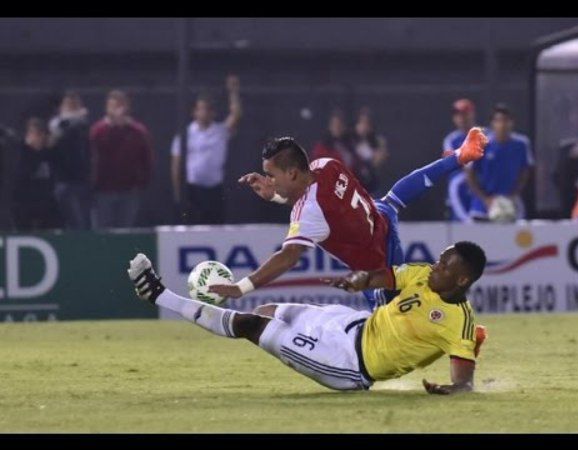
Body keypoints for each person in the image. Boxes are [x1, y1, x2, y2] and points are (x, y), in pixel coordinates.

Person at [127, 241, 488, 393]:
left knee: (253, 327)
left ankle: (159, 295)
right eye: (440, 260)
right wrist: (362, 278)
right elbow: (386, 276)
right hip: (349, 324)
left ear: (462, 280)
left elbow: (464, 382)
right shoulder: (424, 274)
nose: (435, 267)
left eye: (445, 266)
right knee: (263, 312)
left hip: (350, 363)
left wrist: (452, 389)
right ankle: (159, 295)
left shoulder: (459, 323)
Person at [208, 129, 487, 310]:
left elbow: (289, 256)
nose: (269, 180)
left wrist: (240, 287)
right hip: (383, 222)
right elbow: (326, 206)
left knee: (392, 335)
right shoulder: (326, 165)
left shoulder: (308, 211)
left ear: (292, 173)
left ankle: (465, 332)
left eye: (273, 175)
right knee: (393, 199)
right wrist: (277, 195)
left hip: (378, 268)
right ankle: (461, 155)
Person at [170, 75, 242, 224]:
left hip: (214, 189)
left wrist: (233, 92)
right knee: (193, 225)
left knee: (215, 225)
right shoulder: (185, 134)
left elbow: (236, 115)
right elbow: (176, 165)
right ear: (194, 112)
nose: (204, 113)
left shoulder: (220, 131)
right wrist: (178, 193)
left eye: (207, 109)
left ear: (213, 113)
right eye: (200, 109)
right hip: (192, 190)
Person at [89, 90, 154, 229]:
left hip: (129, 191)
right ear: (107, 108)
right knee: (103, 230)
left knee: (126, 229)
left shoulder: (138, 131)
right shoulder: (98, 130)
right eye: (113, 106)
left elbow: (146, 158)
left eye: (121, 106)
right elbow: (94, 154)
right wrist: (113, 127)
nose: (117, 110)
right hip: (103, 191)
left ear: (127, 107)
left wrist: (141, 182)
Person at [466, 104, 534, 221]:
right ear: (492, 123)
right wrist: (485, 199)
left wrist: (513, 195)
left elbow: (525, 172)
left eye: (506, 121)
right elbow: (470, 174)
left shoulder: (522, 144)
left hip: (510, 205)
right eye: (498, 121)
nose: (502, 125)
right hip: (483, 206)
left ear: (512, 123)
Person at [48, 90, 91, 230]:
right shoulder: (56, 125)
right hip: (63, 180)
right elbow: (51, 143)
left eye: (75, 106)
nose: (72, 109)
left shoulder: (84, 126)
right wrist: (68, 120)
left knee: (85, 222)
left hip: (82, 181)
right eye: (69, 105)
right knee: (72, 221)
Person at [11, 118, 62, 231]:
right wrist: (34, 152)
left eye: (41, 134)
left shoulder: (47, 152)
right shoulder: (21, 151)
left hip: (45, 202)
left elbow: (59, 165)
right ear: (29, 134)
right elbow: (22, 174)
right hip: (24, 203)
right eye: (36, 134)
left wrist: (52, 145)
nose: (39, 138)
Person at [441, 99, 479, 222]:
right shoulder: (451, 139)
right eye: (458, 115)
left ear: (472, 114)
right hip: (459, 187)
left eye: (465, 113)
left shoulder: (484, 135)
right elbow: (455, 162)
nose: (462, 118)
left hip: (481, 185)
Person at [351, 108, 389, 194]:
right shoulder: (350, 140)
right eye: (362, 123)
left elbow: (378, 162)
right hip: (353, 184)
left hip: (371, 185)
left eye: (367, 123)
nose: (364, 126)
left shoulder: (377, 141)